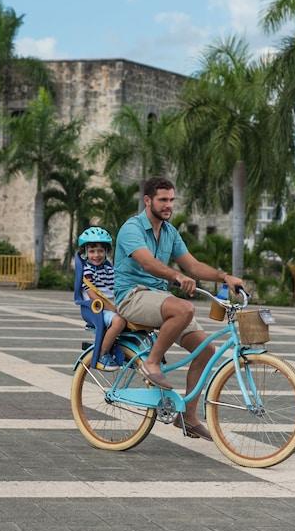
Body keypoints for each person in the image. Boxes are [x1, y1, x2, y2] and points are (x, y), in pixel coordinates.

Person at [113, 177, 244, 441]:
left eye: (171, 200)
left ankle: (188, 417)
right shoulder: (132, 228)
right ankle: (151, 363)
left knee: (206, 349)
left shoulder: (170, 232)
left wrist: (225, 277)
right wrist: (176, 277)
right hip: (132, 296)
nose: (168, 205)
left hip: (159, 298)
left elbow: (193, 266)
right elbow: (148, 263)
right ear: (147, 201)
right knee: (184, 309)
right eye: (163, 199)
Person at [73, 227, 127, 371]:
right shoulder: (87, 271)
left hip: (112, 307)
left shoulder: (109, 269)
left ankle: (124, 349)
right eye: (92, 251)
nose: (96, 255)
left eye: (100, 251)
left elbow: (118, 287)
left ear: (106, 252)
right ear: (85, 253)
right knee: (119, 321)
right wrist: (115, 309)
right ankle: (103, 353)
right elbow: (93, 295)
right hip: (95, 308)